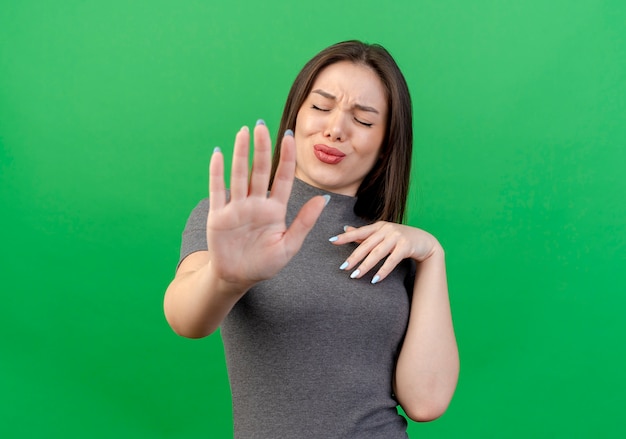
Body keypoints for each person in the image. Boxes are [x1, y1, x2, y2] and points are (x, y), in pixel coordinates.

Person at [164, 40, 459, 438]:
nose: (335, 129)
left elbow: (426, 402)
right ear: (297, 114)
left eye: (364, 120)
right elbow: (185, 318)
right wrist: (227, 278)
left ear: (387, 143)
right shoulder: (233, 218)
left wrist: (432, 255)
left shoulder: (392, 248)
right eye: (321, 107)